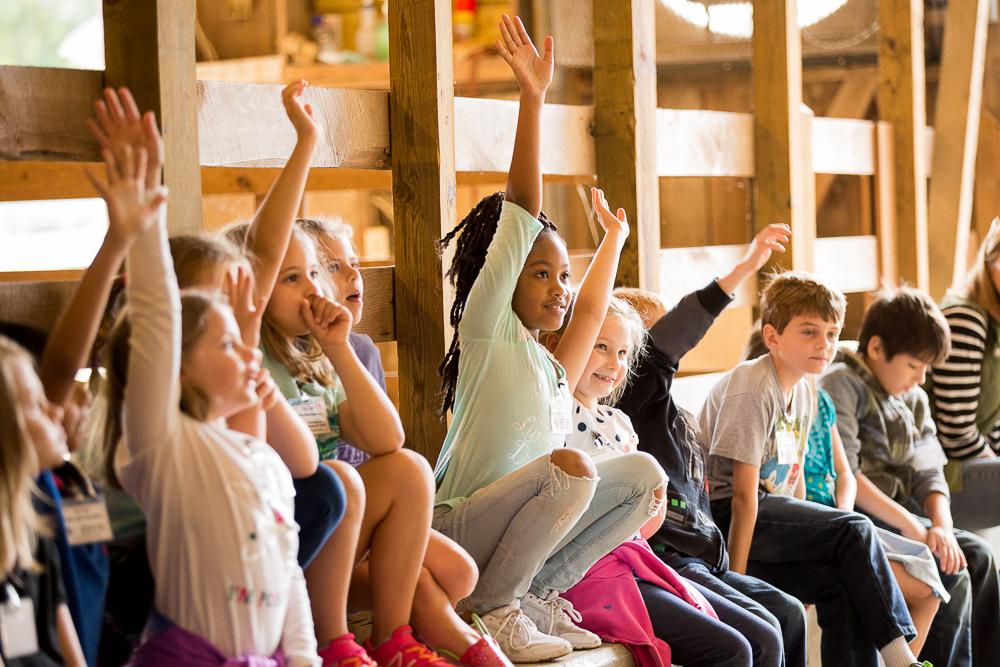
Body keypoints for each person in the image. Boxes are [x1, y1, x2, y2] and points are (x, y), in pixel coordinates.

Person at [699, 271, 924, 667]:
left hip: (771, 514)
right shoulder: (754, 386)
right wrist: (734, 580)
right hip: (725, 516)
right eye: (809, 332)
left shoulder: (805, 389)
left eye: (833, 334)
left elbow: (795, 483)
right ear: (773, 338)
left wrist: (813, 534)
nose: (824, 344)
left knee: (841, 583)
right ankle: (901, 658)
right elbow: (740, 495)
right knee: (855, 527)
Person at [822, 287, 1000, 666]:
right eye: (914, 365)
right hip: (866, 518)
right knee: (950, 578)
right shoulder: (842, 384)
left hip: (907, 515)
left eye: (926, 369)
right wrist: (914, 529)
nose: (920, 379)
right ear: (875, 348)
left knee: (978, 556)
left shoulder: (914, 398)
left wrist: (942, 526)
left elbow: (929, 469)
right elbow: (847, 474)